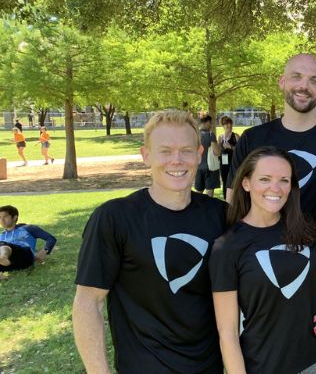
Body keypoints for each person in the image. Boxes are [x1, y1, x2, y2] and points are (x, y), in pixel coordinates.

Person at [227, 53, 316, 361]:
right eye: (297, 77)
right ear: (282, 82)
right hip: (257, 287)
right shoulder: (253, 140)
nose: (305, 86)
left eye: (314, 80)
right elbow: (233, 213)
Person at [73, 111, 227, 373]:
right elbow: (88, 301)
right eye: (165, 151)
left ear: (200, 154)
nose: (177, 160)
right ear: (146, 156)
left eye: (186, 151)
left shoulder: (221, 215)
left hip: (207, 367)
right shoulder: (114, 218)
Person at [210, 146, 316, 373]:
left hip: (315, 359)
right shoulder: (227, 248)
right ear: (246, 183)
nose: (275, 188)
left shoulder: (302, 228)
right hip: (264, 365)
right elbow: (227, 334)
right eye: (265, 179)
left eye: (284, 180)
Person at [0, 205, 57, 273]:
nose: (2, 220)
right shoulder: (2, 235)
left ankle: (3, 257)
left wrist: (45, 250)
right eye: (0, 217)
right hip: (12, 263)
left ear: (14, 217)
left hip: (26, 256)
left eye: (5, 217)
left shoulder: (28, 228)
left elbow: (51, 238)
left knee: (3, 244)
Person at [196, 114, 221, 197]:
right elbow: (217, 152)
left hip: (198, 168)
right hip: (210, 168)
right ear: (206, 122)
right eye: (211, 123)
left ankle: (196, 210)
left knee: (198, 194)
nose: (211, 125)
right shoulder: (210, 135)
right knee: (209, 196)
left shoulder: (195, 134)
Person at [217, 116, 239, 195]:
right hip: (223, 163)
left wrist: (231, 147)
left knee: (234, 181)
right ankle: (225, 200)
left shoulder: (235, 136)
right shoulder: (220, 137)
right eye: (226, 124)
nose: (229, 126)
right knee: (224, 181)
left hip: (233, 163)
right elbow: (218, 152)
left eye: (230, 123)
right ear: (223, 126)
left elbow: (240, 150)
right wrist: (218, 145)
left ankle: (234, 199)